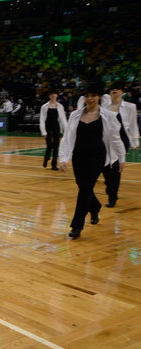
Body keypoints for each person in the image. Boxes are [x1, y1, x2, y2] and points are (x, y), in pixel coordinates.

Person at [59, 82, 125, 239]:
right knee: (83, 186)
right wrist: (63, 158)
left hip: (97, 156)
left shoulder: (108, 116)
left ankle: (77, 225)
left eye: (93, 96)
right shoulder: (75, 115)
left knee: (85, 188)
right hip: (79, 156)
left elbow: (115, 138)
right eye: (87, 96)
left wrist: (121, 158)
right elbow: (67, 137)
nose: (90, 99)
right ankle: (94, 207)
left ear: (99, 97)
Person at [101, 81, 139, 207]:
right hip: (106, 140)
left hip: (122, 140)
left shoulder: (130, 107)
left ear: (122, 92)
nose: (114, 90)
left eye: (117, 88)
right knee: (105, 167)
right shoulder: (103, 108)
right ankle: (110, 185)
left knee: (116, 169)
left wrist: (135, 140)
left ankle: (112, 197)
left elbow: (133, 124)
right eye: (112, 89)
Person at [39, 88, 68, 170]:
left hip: (56, 127)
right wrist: (43, 132)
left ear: (57, 95)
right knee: (49, 146)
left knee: (56, 146)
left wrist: (66, 130)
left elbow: (63, 119)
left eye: (54, 94)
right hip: (47, 127)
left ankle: (54, 165)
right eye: (51, 94)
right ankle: (46, 157)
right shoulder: (44, 106)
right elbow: (42, 119)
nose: (53, 95)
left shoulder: (60, 106)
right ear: (49, 96)